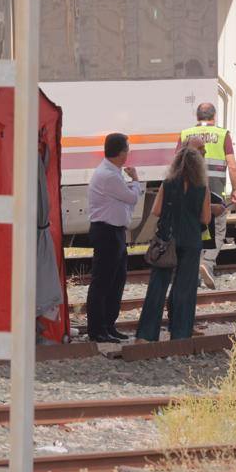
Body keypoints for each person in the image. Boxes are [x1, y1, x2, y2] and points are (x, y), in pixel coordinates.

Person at [135, 147, 212, 342]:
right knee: (185, 289)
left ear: (176, 164)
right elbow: (205, 218)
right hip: (191, 240)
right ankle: (180, 335)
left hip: (167, 240)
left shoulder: (167, 184)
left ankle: (146, 335)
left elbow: (156, 210)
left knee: (157, 287)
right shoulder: (202, 187)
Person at [86, 133, 145, 343]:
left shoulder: (113, 172)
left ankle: (109, 325)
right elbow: (132, 197)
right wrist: (136, 180)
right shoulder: (108, 175)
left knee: (116, 281)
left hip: (115, 232)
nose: (128, 153)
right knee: (103, 282)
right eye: (127, 150)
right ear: (121, 153)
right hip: (107, 232)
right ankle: (97, 329)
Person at [179, 103, 236, 289]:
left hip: (191, 188)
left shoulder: (185, 134)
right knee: (219, 229)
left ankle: (195, 269)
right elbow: (232, 165)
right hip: (215, 189)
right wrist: (235, 189)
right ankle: (207, 262)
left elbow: (177, 162)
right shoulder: (222, 134)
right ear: (214, 116)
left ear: (197, 116)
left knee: (196, 227)